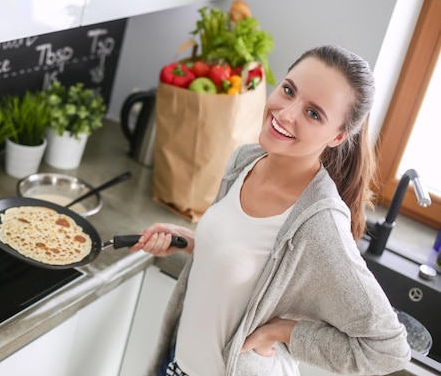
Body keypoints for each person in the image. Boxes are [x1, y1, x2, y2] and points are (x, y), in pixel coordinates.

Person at [130, 45, 411, 376]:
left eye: (313, 113)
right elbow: (250, 265)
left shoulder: (319, 224)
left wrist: (285, 332)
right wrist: (195, 242)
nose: (286, 113)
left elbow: (389, 351)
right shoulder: (245, 161)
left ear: (337, 136)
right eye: (289, 90)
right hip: (176, 364)